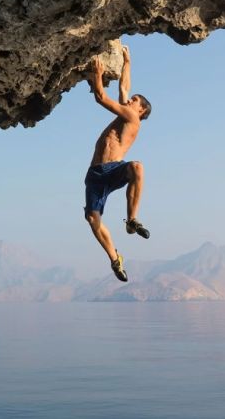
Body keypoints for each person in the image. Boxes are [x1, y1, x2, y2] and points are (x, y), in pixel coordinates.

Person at [84, 42, 152, 283]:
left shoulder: (133, 117)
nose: (129, 100)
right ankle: (115, 258)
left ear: (141, 110)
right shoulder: (127, 113)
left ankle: (132, 219)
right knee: (93, 220)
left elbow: (101, 97)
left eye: (134, 100)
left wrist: (98, 75)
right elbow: (124, 87)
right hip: (95, 173)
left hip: (113, 169)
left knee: (137, 167)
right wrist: (127, 62)